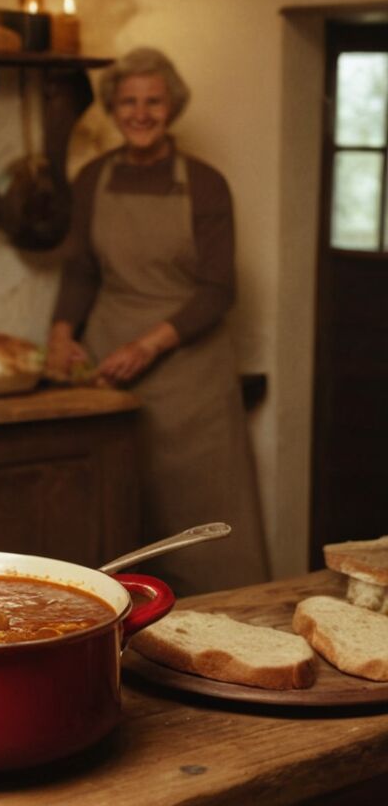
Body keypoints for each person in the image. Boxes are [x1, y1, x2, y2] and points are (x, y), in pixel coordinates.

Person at [45, 46, 269, 596]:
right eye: (128, 102)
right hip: (111, 375)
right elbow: (79, 272)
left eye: (153, 101)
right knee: (118, 519)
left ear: (172, 108)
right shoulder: (93, 178)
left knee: (210, 530)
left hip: (191, 374)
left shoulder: (207, 184)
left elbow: (219, 291)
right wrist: (61, 335)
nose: (140, 113)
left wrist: (146, 347)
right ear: (114, 109)